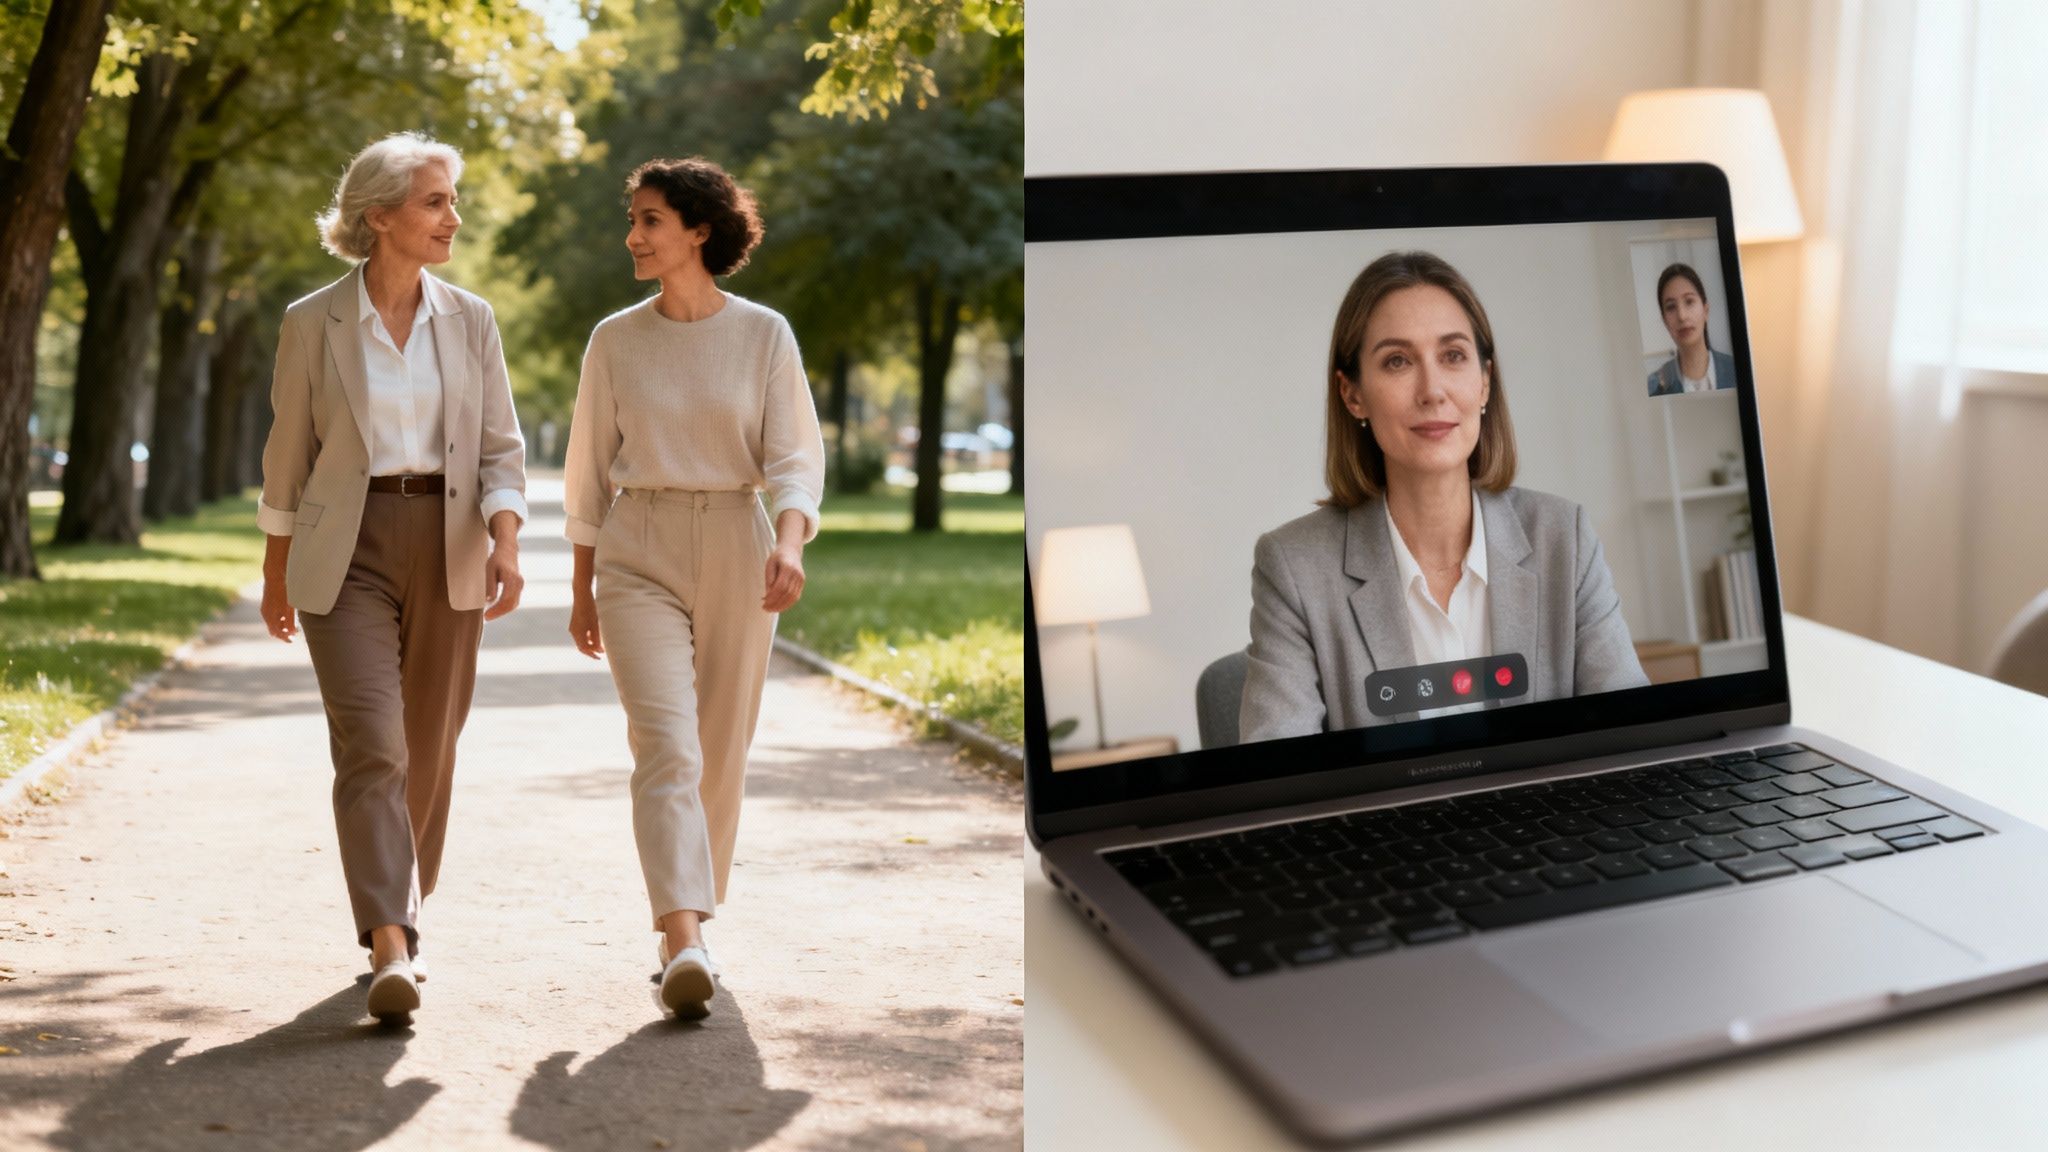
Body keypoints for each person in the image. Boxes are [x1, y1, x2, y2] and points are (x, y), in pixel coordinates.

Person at [257, 132, 528, 1023]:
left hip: (448, 541)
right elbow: (288, 456)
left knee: (429, 749)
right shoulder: (311, 322)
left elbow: (499, 448)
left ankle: (404, 908)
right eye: (436, 202)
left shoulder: (472, 320)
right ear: (380, 217)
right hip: (347, 548)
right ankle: (389, 941)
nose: (454, 217)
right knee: (372, 742)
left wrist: (505, 539)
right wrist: (274, 570)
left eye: (451, 201)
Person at [562, 156, 825, 1020]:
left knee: (719, 749)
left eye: (649, 221)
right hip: (637, 546)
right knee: (666, 744)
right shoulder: (614, 339)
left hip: (738, 542)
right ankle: (682, 938)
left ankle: (696, 922)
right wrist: (581, 582)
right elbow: (589, 469)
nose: (632, 236)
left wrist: (789, 544)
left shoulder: (764, 334)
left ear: (699, 230)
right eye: (632, 220)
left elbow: (792, 457)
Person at [1240, 251, 1646, 742]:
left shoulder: (1565, 538)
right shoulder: (1293, 568)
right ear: (1353, 395)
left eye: (1453, 355)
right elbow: (1284, 782)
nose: (1432, 390)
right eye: (1397, 361)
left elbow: (1631, 741)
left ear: (1485, 382)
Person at [1646, 262, 1737, 396]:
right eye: (1671, 307)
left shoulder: (1736, 371)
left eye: (1689, 301)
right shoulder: (1653, 387)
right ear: (1665, 321)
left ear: (1705, 310)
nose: (1682, 316)